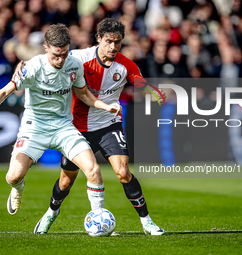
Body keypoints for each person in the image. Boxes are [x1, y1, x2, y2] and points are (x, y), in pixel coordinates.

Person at [15, 18, 165, 235]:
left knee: (123, 172)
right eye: (108, 41)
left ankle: (147, 222)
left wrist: (155, 93)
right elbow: (49, 58)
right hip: (76, 128)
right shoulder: (79, 58)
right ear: (98, 39)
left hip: (108, 126)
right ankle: (51, 212)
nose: (113, 47)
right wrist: (24, 65)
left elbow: (141, 85)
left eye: (117, 42)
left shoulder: (126, 65)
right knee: (66, 182)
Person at [0, 24, 122, 220]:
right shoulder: (32, 67)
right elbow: (4, 92)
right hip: (35, 127)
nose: (61, 60)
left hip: (64, 126)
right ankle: (17, 187)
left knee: (93, 169)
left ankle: (99, 217)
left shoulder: (74, 65)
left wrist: (104, 105)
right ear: (46, 47)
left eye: (65, 54)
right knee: (13, 176)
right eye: (56, 55)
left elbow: (83, 94)